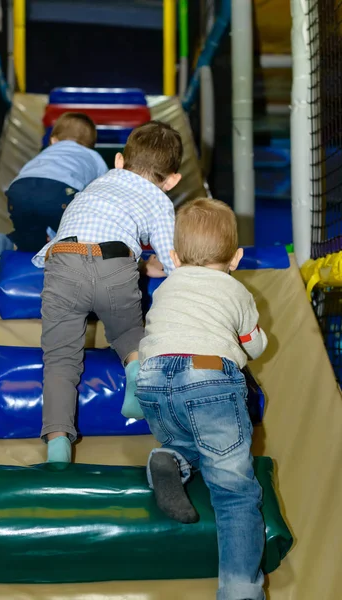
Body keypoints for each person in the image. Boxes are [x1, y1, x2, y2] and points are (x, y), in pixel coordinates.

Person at [136, 198, 268, 600]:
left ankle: (172, 458)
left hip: (153, 379)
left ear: (174, 257)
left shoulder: (166, 286)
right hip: (208, 378)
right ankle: (241, 592)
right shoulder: (237, 290)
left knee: (189, 437)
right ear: (236, 258)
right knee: (234, 492)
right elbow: (256, 346)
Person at [32, 120, 183, 463]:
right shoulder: (160, 201)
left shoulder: (95, 184)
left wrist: (142, 263)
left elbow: (85, 233)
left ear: (118, 161)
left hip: (63, 261)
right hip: (115, 265)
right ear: (171, 180)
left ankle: (57, 445)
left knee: (59, 361)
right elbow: (171, 259)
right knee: (129, 329)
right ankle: (134, 374)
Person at [0, 112, 108, 276]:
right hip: (60, 192)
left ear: (53, 140)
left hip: (19, 190)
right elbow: (100, 192)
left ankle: (7, 242)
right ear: (90, 145)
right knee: (75, 231)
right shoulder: (93, 156)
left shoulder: (45, 153)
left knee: (29, 240)